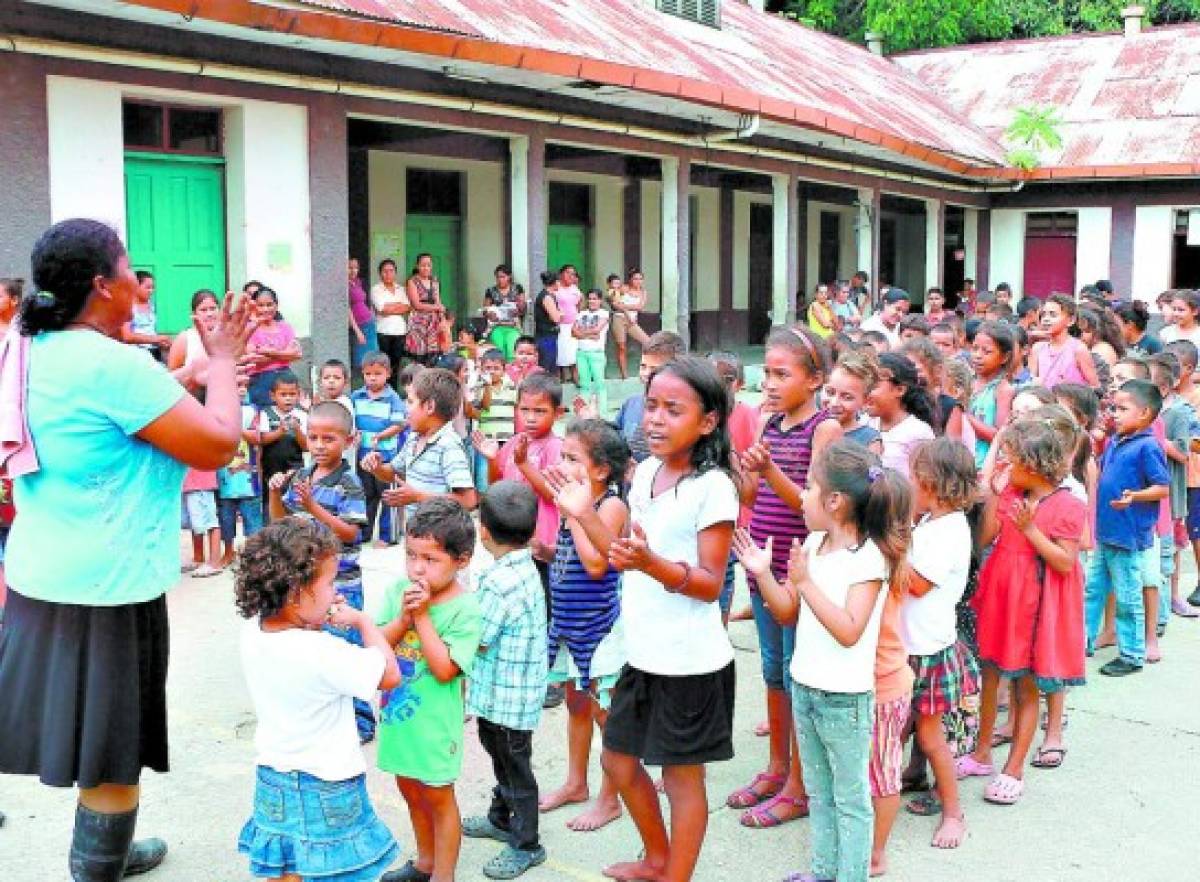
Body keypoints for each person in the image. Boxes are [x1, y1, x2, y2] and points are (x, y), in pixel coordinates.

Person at [0, 218, 250, 880]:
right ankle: (98, 867)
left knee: (93, 738)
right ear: (100, 286)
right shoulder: (109, 365)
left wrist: (194, 371)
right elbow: (220, 443)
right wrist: (222, 364)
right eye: (129, 273)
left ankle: (104, 850)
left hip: (40, 576)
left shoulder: (26, 346)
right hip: (106, 589)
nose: (140, 286)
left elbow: (123, 414)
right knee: (112, 749)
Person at [733, 441, 911, 882]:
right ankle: (823, 870)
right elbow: (788, 610)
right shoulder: (813, 543)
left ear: (835, 501)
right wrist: (761, 573)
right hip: (806, 688)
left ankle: (850, 875)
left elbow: (850, 630)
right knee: (819, 791)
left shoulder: (867, 559)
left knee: (851, 798)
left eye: (810, 487)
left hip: (844, 700)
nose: (801, 495)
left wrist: (806, 583)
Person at [600, 357, 739, 882]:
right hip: (642, 650)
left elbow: (709, 584)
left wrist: (650, 564)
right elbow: (626, 549)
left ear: (707, 421)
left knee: (681, 778)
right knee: (617, 760)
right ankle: (657, 859)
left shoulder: (713, 488)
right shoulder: (649, 474)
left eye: (672, 410)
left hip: (690, 662)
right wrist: (578, 509)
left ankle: (675, 874)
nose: (654, 419)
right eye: (651, 406)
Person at [234, 518, 401, 882]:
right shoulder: (323, 653)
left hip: (273, 778)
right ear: (296, 593)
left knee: (286, 868)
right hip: (326, 785)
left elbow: (293, 645)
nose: (334, 592)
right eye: (328, 583)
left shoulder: (253, 631)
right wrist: (363, 623)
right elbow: (388, 674)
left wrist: (313, 621)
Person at [730, 327, 841, 829]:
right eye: (767, 373)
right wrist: (745, 469)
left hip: (798, 569)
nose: (770, 384)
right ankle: (777, 768)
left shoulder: (825, 428)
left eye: (783, 374)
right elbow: (753, 496)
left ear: (814, 379)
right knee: (773, 673)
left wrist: (769, 470)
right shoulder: (767, 421)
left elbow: (814, 506)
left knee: (798, 676)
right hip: (762, 563)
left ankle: (800, 784)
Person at [958, 419, 1086, 805]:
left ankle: (1013, 769)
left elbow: (1065, 562)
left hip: (1035, 606)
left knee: (1026, 687)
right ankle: (981, 754)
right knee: (990, 674)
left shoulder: (1068, 504)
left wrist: (1031, 530)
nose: (1005, 466)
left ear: (1033, 464)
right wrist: (997, 496)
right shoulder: (1013, 490)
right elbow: (985, 538)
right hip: (1002, 596)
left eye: (1011, 460)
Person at [376, 499, 482, 882]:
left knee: (438, 796)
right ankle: (424, 860)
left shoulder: (465, 610)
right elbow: (376, 648)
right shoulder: (396, 593)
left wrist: (419, 618)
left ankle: (444, 874)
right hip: (398, 719)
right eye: (411, 555)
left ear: (462, 560)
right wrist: (403, 617)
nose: (417, 568)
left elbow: (444, 669)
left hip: (435, 726)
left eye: (431, 559)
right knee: (409, 788)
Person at [539, 420, 631, 833]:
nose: (563, 464)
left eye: (572, 458)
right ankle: (576, 783)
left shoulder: (609, 506)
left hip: (598, 626)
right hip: (567, 622)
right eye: (563, 455)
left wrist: (574, 515)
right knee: (575, 704)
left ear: (601, 470)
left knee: (603, 713)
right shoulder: (574, 501)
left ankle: (610, 800)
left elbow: (597, 565)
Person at [269, 400, 375, 743]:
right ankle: (328, 715)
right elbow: (281, 521)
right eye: (313, 437)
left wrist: (314, 506)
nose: (318, 446)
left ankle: (362, 722)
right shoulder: (302, 476)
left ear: (348, 440)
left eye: (328, 439)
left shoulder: (349, 483)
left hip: (342, 583)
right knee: (316, 654)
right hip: (308, 584)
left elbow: (352, 532)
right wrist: (274, 493)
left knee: (346, 651)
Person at [459, 482, 549, 878]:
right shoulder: (523, 567)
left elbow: (479, 639)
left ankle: (527, 843)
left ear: (483, 532)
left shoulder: (499, 583)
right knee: (504, 763)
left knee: (515, 772)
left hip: (505, 701)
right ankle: (500, 817)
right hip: (509, 696)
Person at [902, 439, 978, 850]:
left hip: (927, 649)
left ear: (932, 483)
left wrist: (888, 544)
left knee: (931, 739)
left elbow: (916, 584)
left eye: (912, 477)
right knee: (894, 730)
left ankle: (954, 814)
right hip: (909, 647)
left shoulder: (948, 531)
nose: (907, 483)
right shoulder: (929, 522)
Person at [1085, 379, 1170, 676]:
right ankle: (1082, 642)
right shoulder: (1116, 441)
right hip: (1107, 533)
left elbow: (1162, 487)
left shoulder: (1147, 446)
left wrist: (1135, 496)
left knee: (1127, 597)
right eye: (1113, 408)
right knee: (1092, 590)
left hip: (1129, 536)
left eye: (1122, 409)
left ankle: (1132, 654)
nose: (1114, 414)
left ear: (1145, 413)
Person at [474, 373, 565, 596]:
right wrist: (492, 460)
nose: (531, 418)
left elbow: (553, 493)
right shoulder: (515, 442)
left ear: (558, 413)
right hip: (511, 542)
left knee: (540, 597)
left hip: (540, 544)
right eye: (525, 410)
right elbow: (498, 488)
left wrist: (523, 464)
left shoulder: (557, 448)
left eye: (540, 411)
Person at [362, 368, 478, 530]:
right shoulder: (414, 438)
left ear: (429, 406)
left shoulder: (448, 445)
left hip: (440, 537)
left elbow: (468, 500)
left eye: (410, 401)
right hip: (416, 531)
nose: (405, 408)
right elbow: (394, 472)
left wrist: (418, 497)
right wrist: (377, 468)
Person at [351, 352, 407, 545]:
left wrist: (382, 435)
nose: (372, 378)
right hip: (363, 453)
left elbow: (399, 424)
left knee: (387, 495)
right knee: (366, 494)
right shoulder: (356, 396)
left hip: (386, 457)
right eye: (368, 374)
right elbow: (350, 421)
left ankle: (387, 535)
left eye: (377, 373)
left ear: (388, 374)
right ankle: (364, 533)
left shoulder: (393, 399)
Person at [614, 331, 686, 465]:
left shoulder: (681, 411)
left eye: (654, 369)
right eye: (643, 366)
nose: (646, 373)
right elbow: (613, 441)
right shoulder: (631, 404)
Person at [217, 378, 264, 567]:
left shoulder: (253, 411)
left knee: (252, 520)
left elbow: (257, 438)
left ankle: (255, 556)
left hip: (248, 479)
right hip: (224, 478)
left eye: (246, 386)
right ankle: (228, 552)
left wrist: (235, 428)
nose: (242, 390)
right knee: (225, 519)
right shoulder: (216, 410)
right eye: (237, 385)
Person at [867, 353, 936, 479]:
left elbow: (924, 482)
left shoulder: (918, 432)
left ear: (900, 390)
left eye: (874, 386)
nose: (866, 392)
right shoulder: (865, 422)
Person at [255, 371, 308, 517]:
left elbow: (306, 446)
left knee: (294, 505)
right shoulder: (266, 414)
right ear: (273, 396)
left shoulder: (302, 415)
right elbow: (262, 439)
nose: (288, 399)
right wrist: (280, 431)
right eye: (283, 395)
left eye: (292, 394)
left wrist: (297, 430)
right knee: (270, 506)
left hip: (294, 469)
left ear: (298, 395)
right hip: (270, 470)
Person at [966, 321, 1016, 470]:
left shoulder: (1002, 390)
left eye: (986, 352)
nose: (977, 356)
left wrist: (964, 416)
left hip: (983, 465)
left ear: (1005, 357)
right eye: (975, 349)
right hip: (960, 462)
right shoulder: (967, 382)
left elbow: (999, 436)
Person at [245, 287, 302, 408]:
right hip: (260, 381)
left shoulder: (285, 327)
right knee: (266, 416)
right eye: (261, 305)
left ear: (276, 306)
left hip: (286, 379)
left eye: (269, 305)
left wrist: (269, 352)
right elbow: (253, 360)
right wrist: (284, 355)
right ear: (254, 307)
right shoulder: (250, 329)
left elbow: (297, 354)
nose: (265, 309)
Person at [1030, 295, 1098, 388]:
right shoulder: (1037, 348)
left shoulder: (1078, 349)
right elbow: (1030, 383)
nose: (1046, 319)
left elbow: (1094, 386)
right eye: (1043, 315)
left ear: (1071, 320)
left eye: (1053, 315)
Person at [827, 351, 883, 454]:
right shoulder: (812, 429)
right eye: (830, 392)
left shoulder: (869, 440)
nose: (834, 403)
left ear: (865, 401)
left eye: (847, 397)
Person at [166, 288, 221, 392]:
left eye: (213, 308)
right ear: (194, 313)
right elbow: (170, 379)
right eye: (203, 310)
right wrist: (192, 374)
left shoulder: (225, 336)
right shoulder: (185, 338)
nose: (209, 314)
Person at [372, 258, 411, 384]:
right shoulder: (376, 289)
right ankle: (383, 388)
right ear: (380, 273)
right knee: (384, 363)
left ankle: (393, 390)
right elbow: (382, 308)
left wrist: (390, 307)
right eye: (385, 271)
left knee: (396, 364)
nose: (388, 274)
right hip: (383, 331)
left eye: (391, 271)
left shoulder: (401, 289)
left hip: (400, 331)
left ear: (395, 273)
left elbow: (407, 307)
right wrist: (397, 305)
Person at [573, 288, 611, 416]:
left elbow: (597, 330)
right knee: (584, 385)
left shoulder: (604, 313)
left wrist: (582, 333)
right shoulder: (581, 313)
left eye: (595, 298)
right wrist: (590, 334)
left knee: (600, 384)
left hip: (596, 353)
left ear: (600, 300)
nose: (592, 301)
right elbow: (573, 332)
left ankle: (602, 414)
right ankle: (584, 413)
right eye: (590, 298)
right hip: (581, 352)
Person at [405, 253, 448, 365]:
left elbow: (438, 301)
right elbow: (417, 305)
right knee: (419, 357)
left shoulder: (434, 281)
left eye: (428, 265)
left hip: (433, 323)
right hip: (418, 322)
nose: (426, 268)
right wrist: (437, 307)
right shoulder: (412, 281)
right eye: (423, 265)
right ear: (417, 266)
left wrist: (442, 319)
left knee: (433, 356)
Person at [181, 464, 222, 578]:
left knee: (210, 522)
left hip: (200, 482)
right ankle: (198, 558)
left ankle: (215, 563)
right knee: (194, 523)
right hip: (187, 481)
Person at [610, 268, 651, 379]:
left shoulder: (643, 292)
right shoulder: (624, 288)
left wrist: (624, 306)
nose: (638, 281)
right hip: (619, 319)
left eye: (640, 279)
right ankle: (624, 375)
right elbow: (614, 304)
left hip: (632, 322)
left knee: (648, 342)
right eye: (635, 279)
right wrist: (626, 311)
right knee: (622, 347)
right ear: (630, 280)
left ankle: (646, 368)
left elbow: (640, 307)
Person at [121, 270, 171, 359]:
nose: (151, 291)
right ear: (135, 286)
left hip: (154, 351)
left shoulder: (151, 305)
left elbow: (150, 330)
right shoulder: (128, 307)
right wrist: (155, 339)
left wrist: (161, 342)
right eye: (147, 287)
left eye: (153, 287)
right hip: (136, 353)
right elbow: (126, 336)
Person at [483, 264, 526, 361]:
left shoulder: (517, 288)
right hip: (496, 326)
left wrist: (518, 309)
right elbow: (485, 310)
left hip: (513, 326)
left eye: (503, 277)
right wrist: (490, 314)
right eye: (498, 277)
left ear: (509, 277)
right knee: (499, 351)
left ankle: (512, 372)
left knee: (512, 351)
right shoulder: (491, 291)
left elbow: (523, 308)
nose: (500, 280)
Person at [347, 257, 378, 371]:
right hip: (359, 326)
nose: (353, 271)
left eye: (356, 267)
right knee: (361, 361)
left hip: (369, 323)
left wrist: (372, 314)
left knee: (373, 359)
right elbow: (348, 309)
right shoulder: (345, 285)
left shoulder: (357, 282)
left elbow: (363, 301)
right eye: (350, 267)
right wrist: (357, 330)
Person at [555, 265, 582, 384]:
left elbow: (580, 302)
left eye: (573, 274)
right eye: (568, 273)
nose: (571, 276)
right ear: (561, 274)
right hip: (560, 325)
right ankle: (561, 378)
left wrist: (578, 317)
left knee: (573, 352)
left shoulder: (575, 289)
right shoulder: (556, 287)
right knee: (560, 352)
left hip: (573, 325)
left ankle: (575, 377)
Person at [532, 271, 561, 371]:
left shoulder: (548, 296)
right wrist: (561, 313)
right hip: (546, 336)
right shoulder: (547, 297)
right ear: (555, 282)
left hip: (548, 335)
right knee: (547, 365)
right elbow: (556, 318)